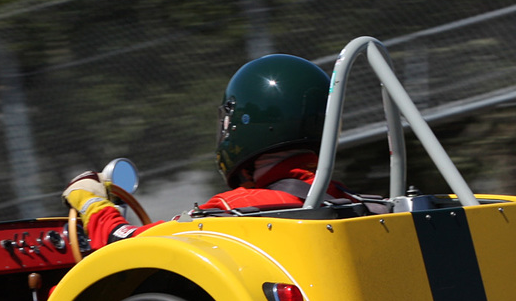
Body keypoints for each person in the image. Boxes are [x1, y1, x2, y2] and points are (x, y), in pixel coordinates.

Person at [63, 54, 367, 249]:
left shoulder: (235, 209)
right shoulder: (353, 203)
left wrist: (92, 203)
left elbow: (128, 245)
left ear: (246, 124)